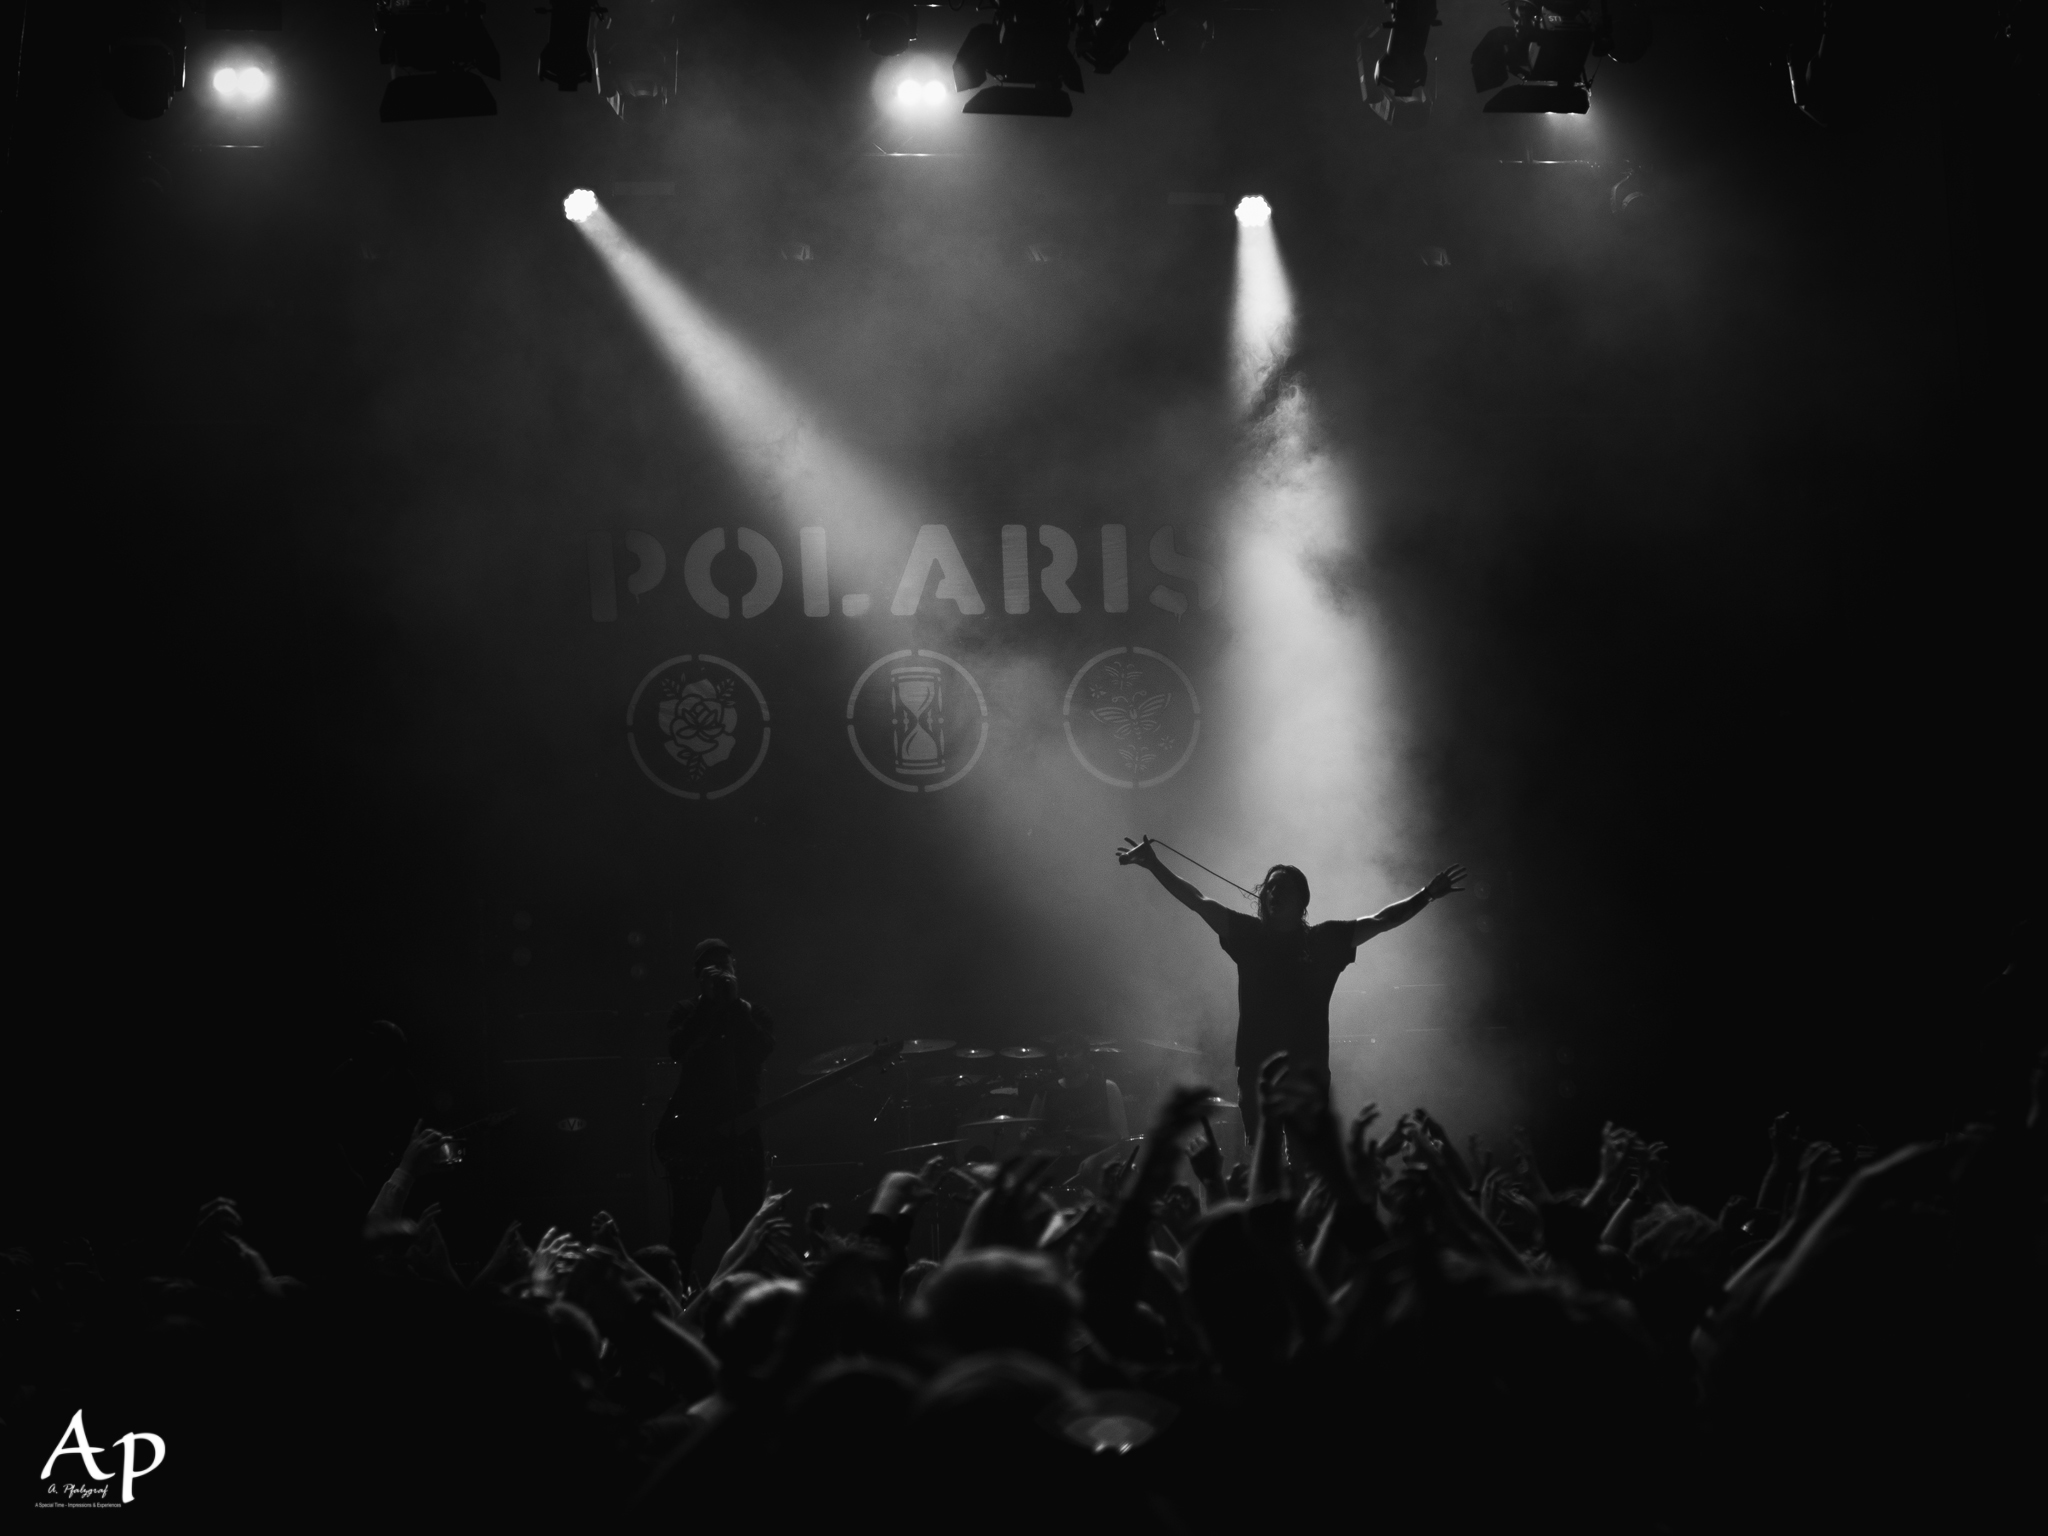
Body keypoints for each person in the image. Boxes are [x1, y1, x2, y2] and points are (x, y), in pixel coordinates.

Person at [1116, 837, 1466, 1137]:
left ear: (1302, 900)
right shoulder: (1249, 935)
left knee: (1306, 1162)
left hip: (1307, 1072)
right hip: (1256, 1070)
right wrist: (1154, 865)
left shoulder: (1324, 940)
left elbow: (1382, 920)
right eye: (1269, 887)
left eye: (1282, 887)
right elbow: (1196, 900)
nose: (1273, 892)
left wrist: (1426, 895)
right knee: (1262, 1162)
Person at [658, 939, 775, 1272]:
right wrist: (707, 1006)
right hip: (696, 1135)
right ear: (699, 975)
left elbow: (762, 1050)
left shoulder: (753, 1012)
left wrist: (734, 1005)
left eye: (727, 965)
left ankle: (747, 1291)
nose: (723, 972)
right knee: (686, 1228)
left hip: (742, 1134)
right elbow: (678, 1049)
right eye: (713, 967)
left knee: (747, 1227)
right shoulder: (686, 1011)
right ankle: (675, 1289)